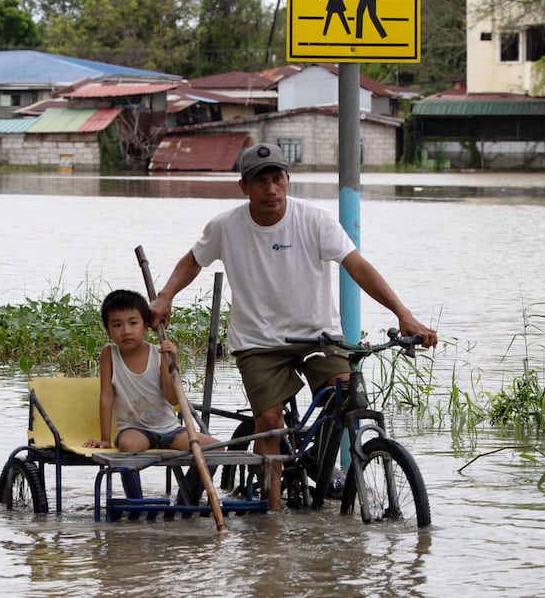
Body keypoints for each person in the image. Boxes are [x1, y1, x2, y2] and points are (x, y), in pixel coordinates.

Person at [150, 142, 437, 510]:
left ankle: (319, 461)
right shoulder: (226, 226)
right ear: (244, 187)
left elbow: (357, 266)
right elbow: (193, 261)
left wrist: (403, 312)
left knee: (349, 396)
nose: (270, 189)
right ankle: (272, 515)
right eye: (260, 182)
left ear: (287, 180)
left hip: (318, 335)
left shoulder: (313, 220)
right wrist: (165, 295)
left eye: (276, 179)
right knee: (269, 420)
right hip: (258, 342)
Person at [86, 289, 218, 503]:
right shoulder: (109, 354)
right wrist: (104, 439)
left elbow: (173, 399)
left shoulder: (159, 353)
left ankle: (187, 501)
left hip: (169, 429)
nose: (126, 331)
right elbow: (106, 396)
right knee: (128, 447)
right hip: (134, 429)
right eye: (117, 325)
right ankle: (137, 504)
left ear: (146, 327)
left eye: (133, 323)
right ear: (108, 331)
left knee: (216, 448)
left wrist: (172, 361)